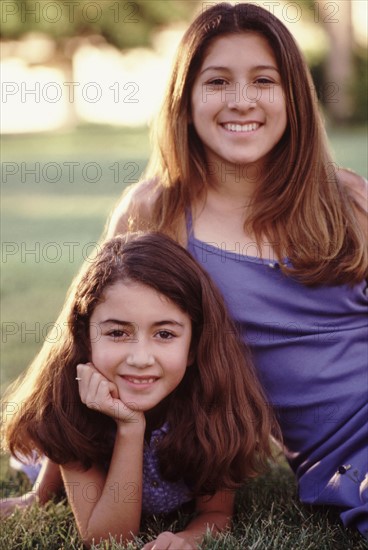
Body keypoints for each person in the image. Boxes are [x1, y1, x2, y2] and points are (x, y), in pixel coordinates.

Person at [2, 0, 367, 539]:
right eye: (217, 81)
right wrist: (44, 489)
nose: (241, 100)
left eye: (263, 80)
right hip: (341, 454)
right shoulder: (157, 211)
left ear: (293, 96)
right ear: (185, 99)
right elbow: (82, 342)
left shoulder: (347, 201)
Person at [2, 232, 278, 549]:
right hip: (81, 441)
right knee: (61, 427)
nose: (140, 358)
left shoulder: (213, 405)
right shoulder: (67, 404)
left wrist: (189, 537)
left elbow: (215, 511)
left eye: (164, 333)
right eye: (118, 332)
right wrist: (130, 427)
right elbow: (107, 539)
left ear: (193, 345)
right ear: (85, 337)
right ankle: (40, 493)